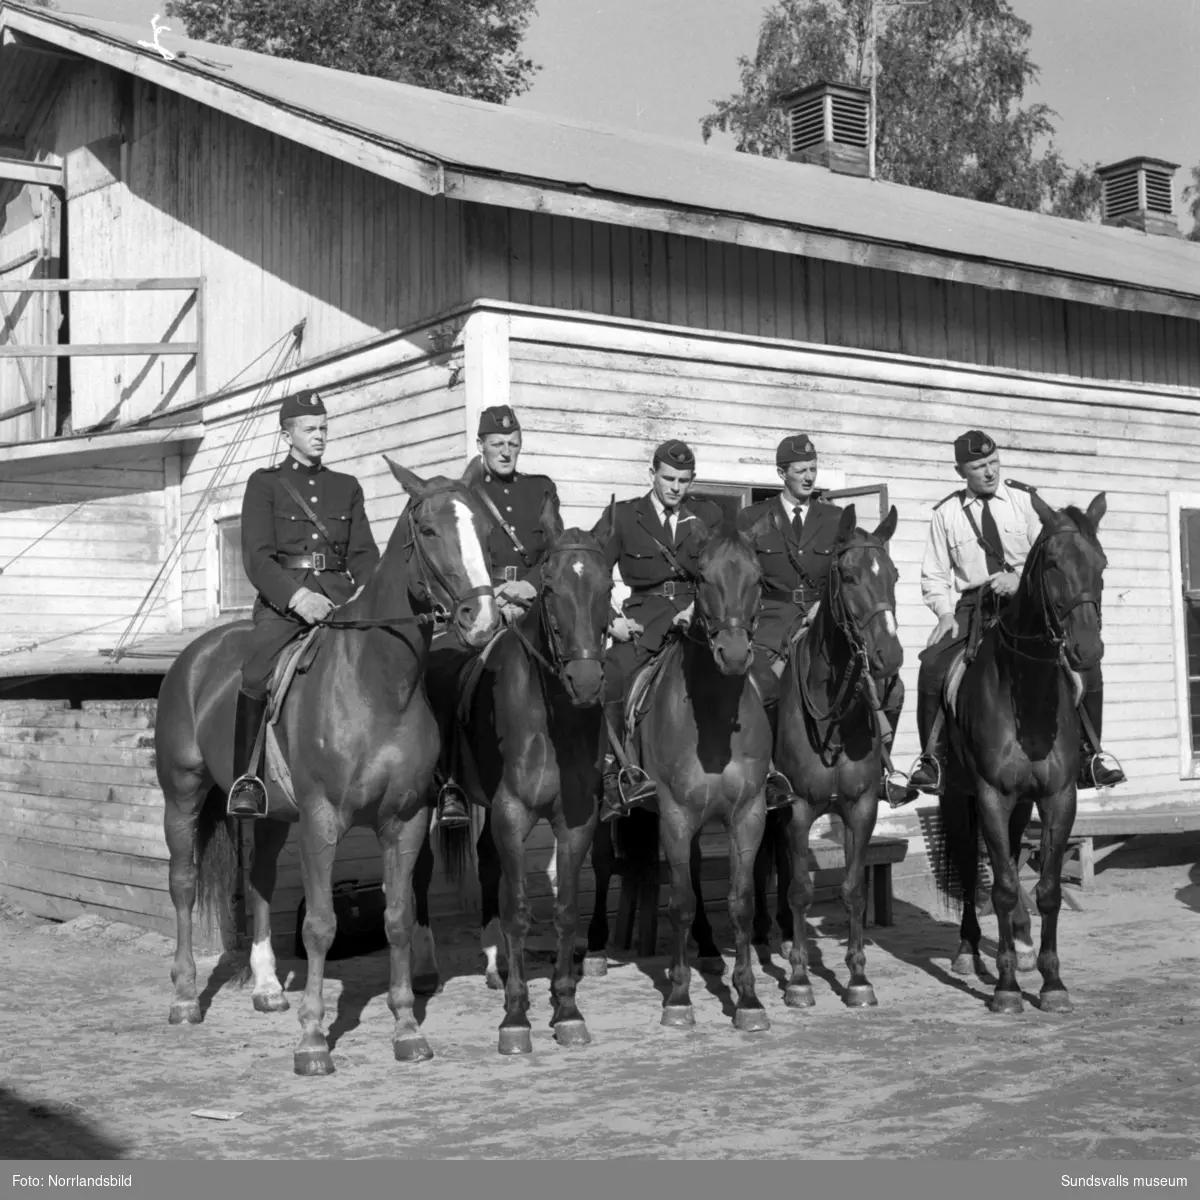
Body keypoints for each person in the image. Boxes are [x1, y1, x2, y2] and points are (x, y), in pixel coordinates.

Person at [910, 428, 1126, 794]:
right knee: (932, 665)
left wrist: (1017, 577)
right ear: (960, 470)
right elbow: (934, 573)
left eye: (994, 462)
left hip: (1027, 602)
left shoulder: (1026, 501)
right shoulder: (946, 514)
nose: (990, 472)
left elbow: (1051, 553)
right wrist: (944, 613)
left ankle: (1091, 754)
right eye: (979, 466)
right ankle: (934, 760)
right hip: (974, 606)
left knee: (1085, 662)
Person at [739, 434, 914, 808]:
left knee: (891, 688)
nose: (808, 477)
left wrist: (825, 606)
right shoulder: (753, 519)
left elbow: (852, 571)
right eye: (800, 470)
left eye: (813, 470)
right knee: (761, 687)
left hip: (826, 622)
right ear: (781, 473)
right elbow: (742, 577)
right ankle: (770, 774)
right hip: (772, 622)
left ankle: (881, 771)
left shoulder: (837, 519)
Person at [228, 388, 380, 817]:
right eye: (310, 429)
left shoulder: (346, 487)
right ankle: (248, 779)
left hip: (340, 601)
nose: (320, 436)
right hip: (283, 602)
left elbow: (364, 554)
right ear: (286, 435)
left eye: (324, 428)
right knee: (257, 668)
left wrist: (367, 594)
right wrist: (297, 597)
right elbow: (256, 558)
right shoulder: (265, 484)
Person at [429, 404, 562, 828]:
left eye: (512, 444)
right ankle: (450, 780)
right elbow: (459, 552)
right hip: (483, 603)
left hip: (533, 605)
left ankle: (600, 768)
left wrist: (531, 586)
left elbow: (555, 548)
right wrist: (492, 595)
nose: (506, 451)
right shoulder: (463, 492)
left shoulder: (541, 488)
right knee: (444, 671)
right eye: (497, 444)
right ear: (481, 445)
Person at [591, 439, 723, 823]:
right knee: (610, 676)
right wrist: (610, 618)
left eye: (684, 480)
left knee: (745, 673)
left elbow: (725, 567)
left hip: (698, 618)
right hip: (641, 621)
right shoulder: (623, 515)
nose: (676, 487)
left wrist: (697, 609)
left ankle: (761, 770)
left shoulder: (708, 515)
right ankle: (616, 772)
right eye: (668, 478)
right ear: (652, 475)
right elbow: (593, 574)